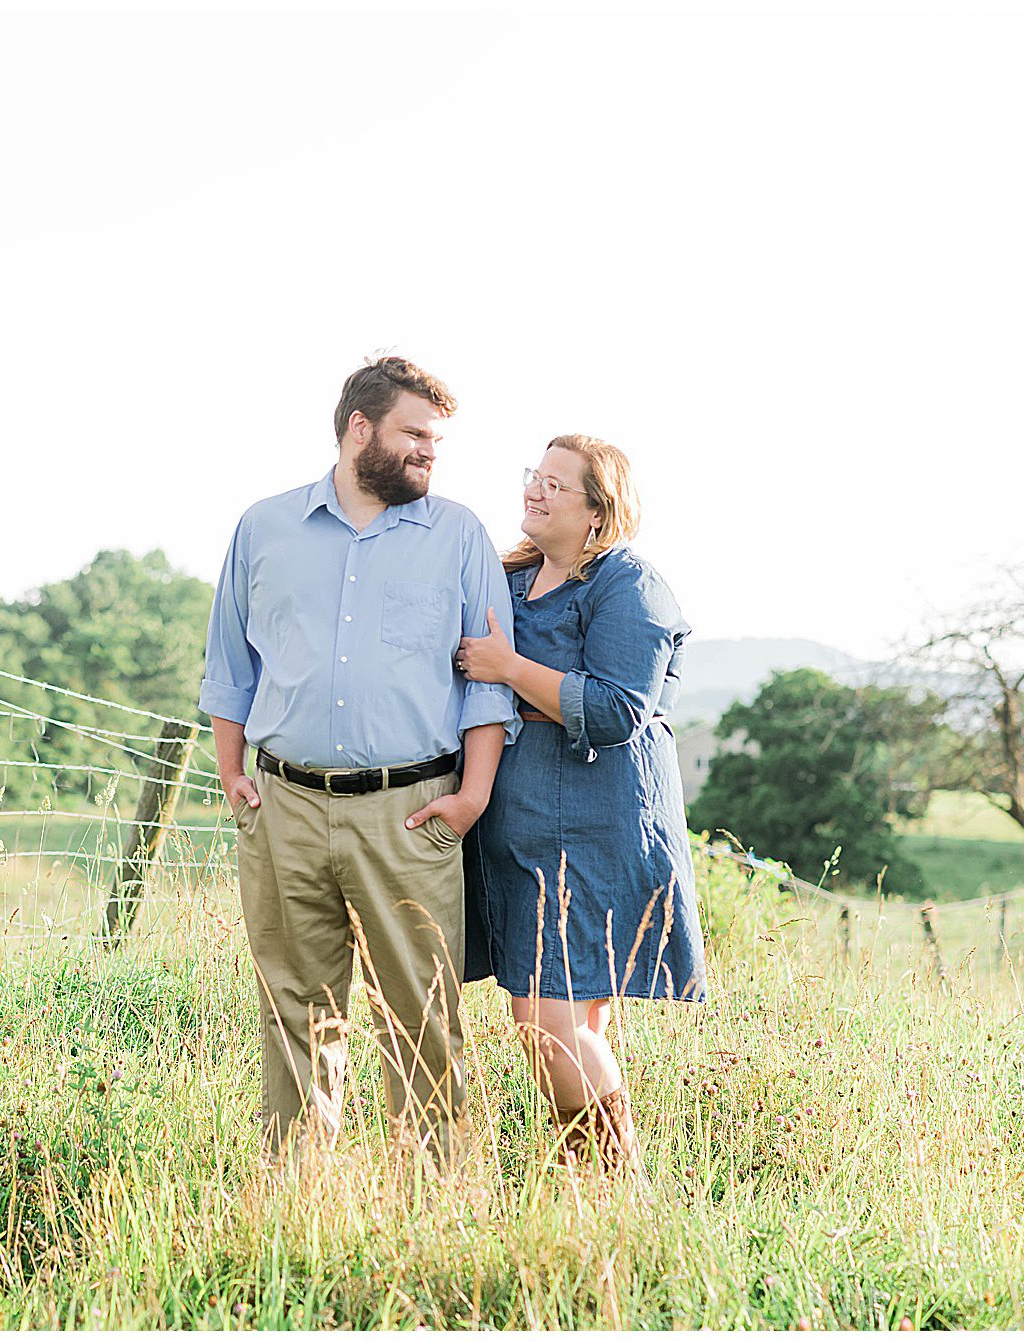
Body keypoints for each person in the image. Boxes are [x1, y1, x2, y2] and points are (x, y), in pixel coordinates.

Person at [199, 355, 518, 1170]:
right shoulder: (263, 528)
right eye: (415, 433)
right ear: (359, 428)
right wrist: (232, 772)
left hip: (410, 810)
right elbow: (230, 667)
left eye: (436, 440)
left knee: (420, 1014)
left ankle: (437, 1199)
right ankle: (297, 1196)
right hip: (282, 809)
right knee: (295, 1011)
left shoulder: (459, 536)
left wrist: (472, 796)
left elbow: (490, 682)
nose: (428, 453)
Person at [454, 433, 706, 1178]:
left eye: (556, 484)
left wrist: (506, 667)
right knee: (565, 1016)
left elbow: (617, 709)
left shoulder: (628, 585)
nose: (535, 490)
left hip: (596, 828)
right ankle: (589, 1188)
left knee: (547, 1023)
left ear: (598, 512)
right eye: (536, 475)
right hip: (520, 827)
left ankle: (612, 1175)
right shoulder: (514, 573)